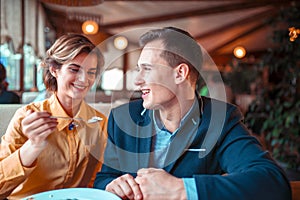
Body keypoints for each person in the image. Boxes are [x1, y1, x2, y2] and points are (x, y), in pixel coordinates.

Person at [93, 27, 291, 200]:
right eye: (138, 69)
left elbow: (273, 182)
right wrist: (111, 186)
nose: (137, 80)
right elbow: (104, 179)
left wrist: (181, 190)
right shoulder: (122, 118)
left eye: (147, 69)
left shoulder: (220, 121)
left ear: (180, 73)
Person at [0, 33, 107, 199]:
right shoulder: (26, 117)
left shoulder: (100, 123)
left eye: (91, 72)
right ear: (54, 69)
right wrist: (32, 147)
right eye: (74, 69)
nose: (84, 79)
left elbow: (98, 180)